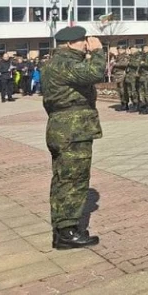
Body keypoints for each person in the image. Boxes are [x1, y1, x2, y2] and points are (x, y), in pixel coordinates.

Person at [41, 26, 105, 249]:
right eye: (81, 42)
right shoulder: (64, 63)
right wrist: (98, 52)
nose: (85, 44)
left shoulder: (53, 63)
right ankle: (66, 232)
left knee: (63, 178)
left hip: (64, 127)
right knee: (74, 180)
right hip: (72, 129)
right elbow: (95, 73)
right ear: (69, 44)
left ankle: (64, 228)